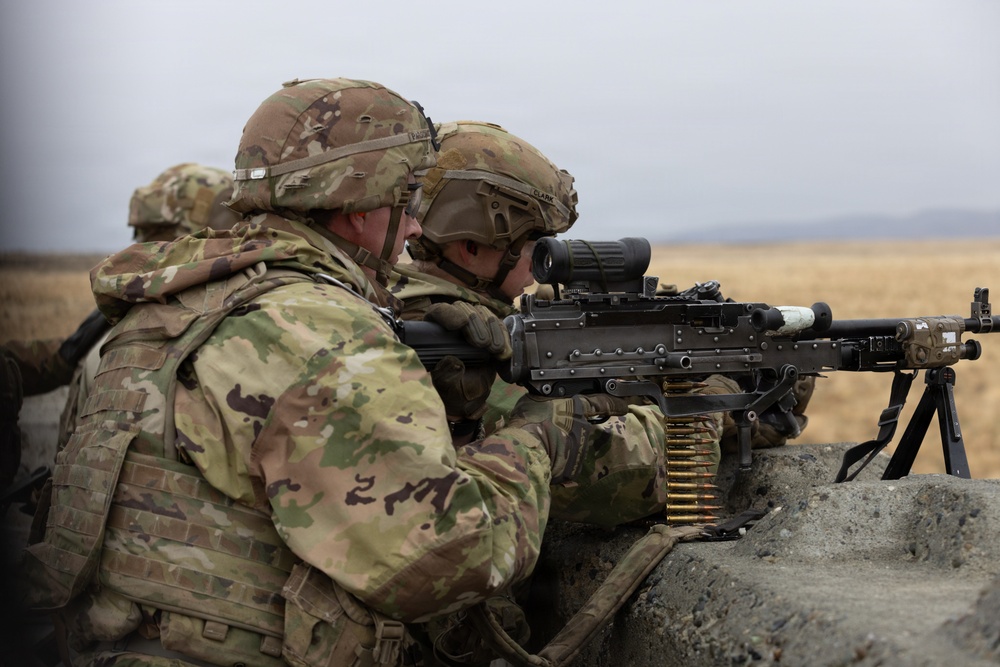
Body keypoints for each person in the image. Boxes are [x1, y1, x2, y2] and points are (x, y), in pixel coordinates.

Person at [22, 77, 630, 667]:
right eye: (407, 200)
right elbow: (455, 557)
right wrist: (539, 439)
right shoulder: (320, 331)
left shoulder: (166, 309)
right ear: (356, 204)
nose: (417, 227)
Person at [390, 120, 722, 527]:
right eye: (535, 242)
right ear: (471, 243)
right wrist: (716, 396)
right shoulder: (457, 344)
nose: (545, 259)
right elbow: (629, 478)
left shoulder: (403, 299)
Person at [55, 162, 242, 450]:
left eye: (162, 234)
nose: (145, 247)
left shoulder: (229, 332)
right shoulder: (125, 317)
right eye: (144, 234)